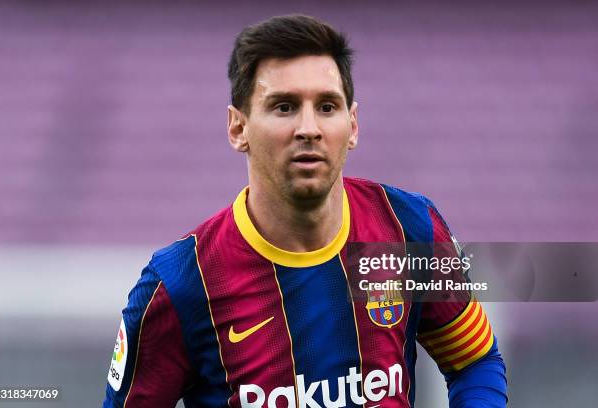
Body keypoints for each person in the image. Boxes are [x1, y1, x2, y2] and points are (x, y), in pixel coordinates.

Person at [103, 14, 507, 408]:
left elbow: (473, 360)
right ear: (238, 128)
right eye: (284, 107)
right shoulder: (181, 284)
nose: (309, 128)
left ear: (353, 125)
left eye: (327, 107)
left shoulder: (408, 228)